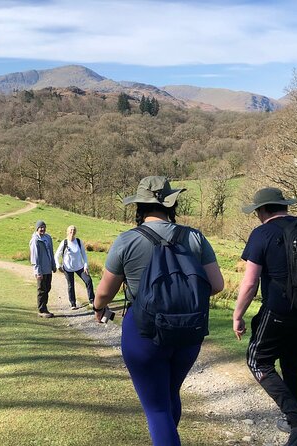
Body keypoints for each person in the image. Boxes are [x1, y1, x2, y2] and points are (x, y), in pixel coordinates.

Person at [94, 176, 224, 446]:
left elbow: (105, 292)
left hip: (144, 332)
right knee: (169, 394)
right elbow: (216, 285)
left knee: (157, 409)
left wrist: (98, 307)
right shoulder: (195, 237)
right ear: (170, 205)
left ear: (139, 207)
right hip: (189, 331)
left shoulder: (127, 240)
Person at [233, 187, 297, 446]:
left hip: (279, 311)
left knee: (258, 361)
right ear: (284, 206)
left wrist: (238, 315)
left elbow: (250, 282)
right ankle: (295, 422)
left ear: (262, 210)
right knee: (292, 364)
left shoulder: (262, 233)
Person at [54, 225, 95, 309]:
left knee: (88, 280)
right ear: (67, 232)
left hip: (80, 267)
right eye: (70, 230)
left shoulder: (79, 241)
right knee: (71, 285)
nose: (72, 232)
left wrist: (85, 265)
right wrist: (58, 266)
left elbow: (84, 254)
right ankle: (73, 304)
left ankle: (92, 301)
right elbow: (56, 255)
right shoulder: (64, 242)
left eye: (74, 230)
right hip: (67, 268)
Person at [29, 220, 56, 318]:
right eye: (41, 227)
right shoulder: (35, 240)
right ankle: (41, 310)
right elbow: (34, 257)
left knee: (47, 288)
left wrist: (53, 265)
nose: (42, 229)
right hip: (41, 270)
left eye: (44, 227)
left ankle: (45, 308)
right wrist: (37, 271)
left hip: (48, 268)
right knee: (41, 290)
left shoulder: (48, 238)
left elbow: (51, 252)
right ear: (37, 228)